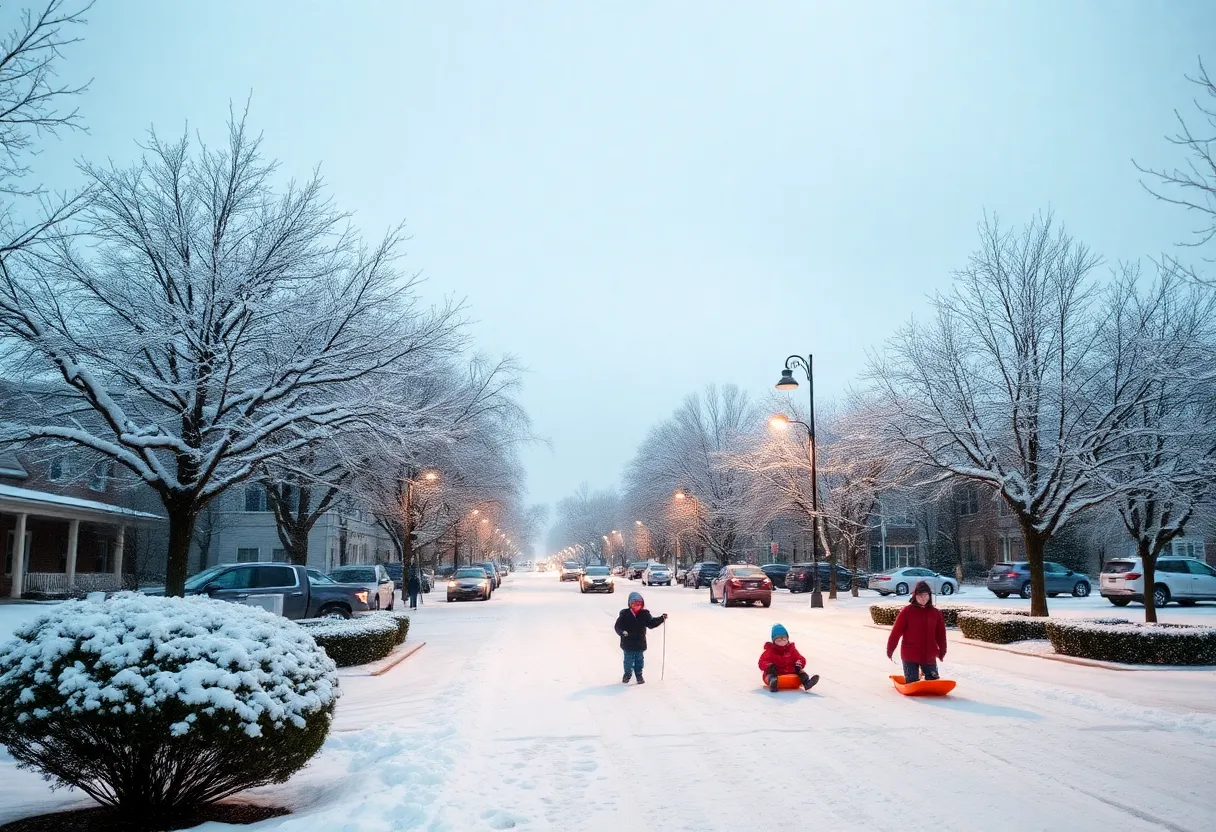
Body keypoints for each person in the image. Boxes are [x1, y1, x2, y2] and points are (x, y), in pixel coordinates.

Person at [886, 580, 947, 682]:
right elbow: (896, 632)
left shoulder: (936, 613)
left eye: (925, 595)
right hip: (910, 654)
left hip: (929, 655)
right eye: (920, 596)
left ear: (929, 596)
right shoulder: (907, 611)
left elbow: (941, 635)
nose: (923, 598)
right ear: (915, 596)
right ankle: (915, 674)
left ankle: (924, 672)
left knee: (933, 681)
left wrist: (942, 651)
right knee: (912, 681)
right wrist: (890, 649)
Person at [614, 591, 667, 684]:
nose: (637, 606)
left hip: (640, 642)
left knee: (639, 661)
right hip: (628, 643)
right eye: (635, 604)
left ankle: (639, 674)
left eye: (640, 604)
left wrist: (661, 618)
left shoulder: (644, 614)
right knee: (628, 661)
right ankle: (627, 674)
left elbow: (651, 623)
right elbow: (618, 626)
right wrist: (622, 632)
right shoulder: (624, 614)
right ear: (630, 604)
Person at [758, 623, 819, 692]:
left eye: (784, 639)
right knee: (769, 675)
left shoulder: (791, 649)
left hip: (791, 672)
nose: (782, 642)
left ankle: (807, 682)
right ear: (774, 641)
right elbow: (762, 661)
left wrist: (799, 664)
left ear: (787, 639)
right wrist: (769, 666)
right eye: (779, 640)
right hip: (776, 673)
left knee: (801, 672)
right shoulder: (770, 651)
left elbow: (800, 658)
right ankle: (773, 683)